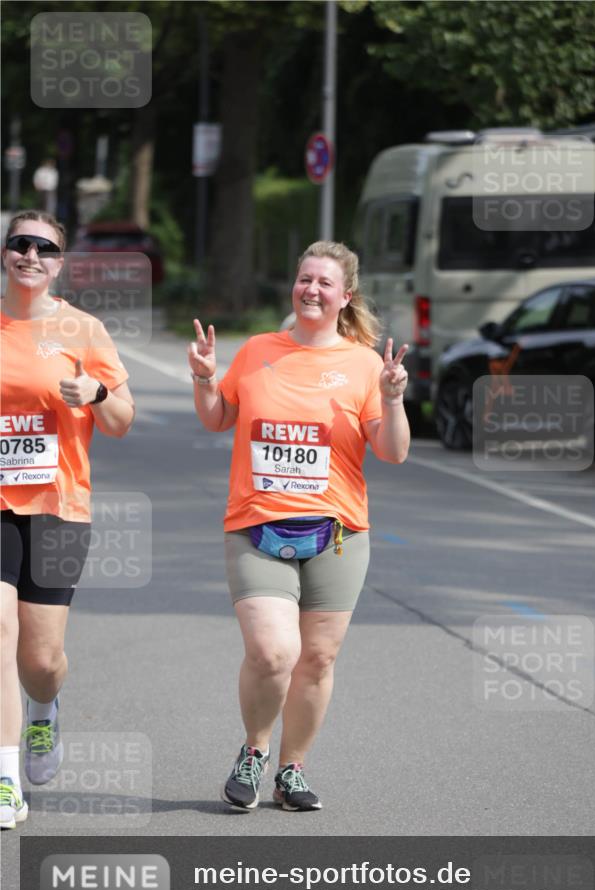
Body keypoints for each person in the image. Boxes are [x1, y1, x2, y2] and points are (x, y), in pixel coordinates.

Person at [189, 240, 409, 812]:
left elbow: (392, 451)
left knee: (316, 660)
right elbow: (218, 418)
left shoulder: (363, 364)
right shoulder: (260, 349)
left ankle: (292, 771)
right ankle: (254, 750)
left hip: (336, 534)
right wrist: (205, 379)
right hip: (257, 523)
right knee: (272, 651)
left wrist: (393, 398)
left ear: (345, 297)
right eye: (304, 279)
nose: (311, 289)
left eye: (324, 283)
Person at [0, 211, 135, 830]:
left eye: (43, 248)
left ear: (60, 262)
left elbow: (121, 419)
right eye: (19, 244)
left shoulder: (82, 329)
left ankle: (44, 710)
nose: (30, 255)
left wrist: (98, 397)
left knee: (41, 655)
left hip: (58, 506)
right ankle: (5, 781)